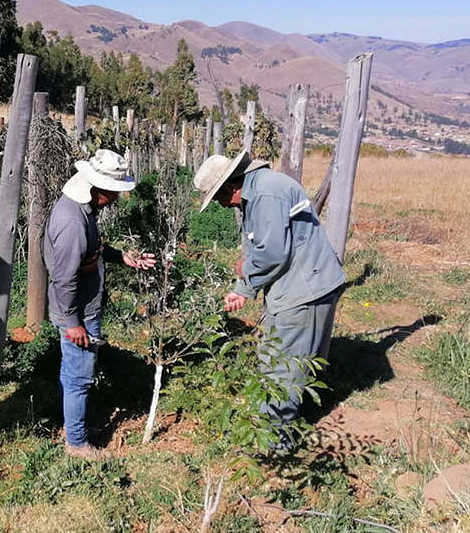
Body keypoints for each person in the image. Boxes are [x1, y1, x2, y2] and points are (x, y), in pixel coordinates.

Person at [192, 150, 345, 453]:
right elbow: (262, 246)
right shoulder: (261, 190)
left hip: (304, 291)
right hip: (302, 285)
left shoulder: (266, 194)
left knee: (282, 369)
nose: (220, 205)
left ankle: (275, 445)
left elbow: (272, 255)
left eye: (218, 197)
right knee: (289, 359)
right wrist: (242, 289)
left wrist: (245, 270)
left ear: (230, 186)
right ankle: (286, 422)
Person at [43, 149, 157, 460]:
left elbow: (94, 249)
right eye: (114, 192)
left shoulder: (83, 210)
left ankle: (73, 427)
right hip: (78, 311)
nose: (117, 198)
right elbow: (64, 279)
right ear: (97, 188)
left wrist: (124, 258)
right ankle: (77, 443)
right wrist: (73, 324)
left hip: (81, 307)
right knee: (79, 377)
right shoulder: (72, 222)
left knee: (73, 371)